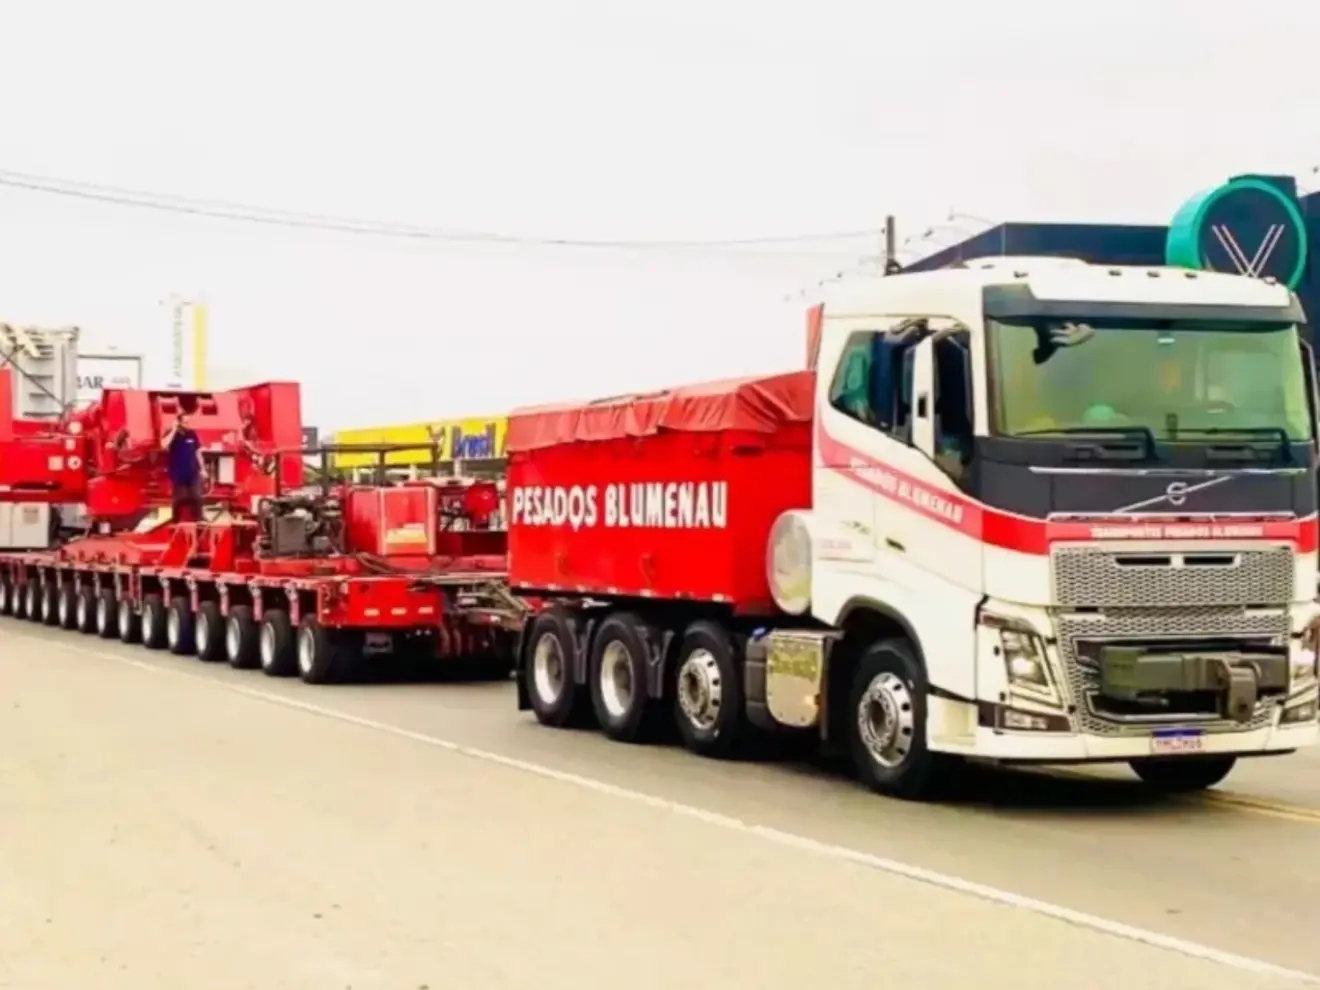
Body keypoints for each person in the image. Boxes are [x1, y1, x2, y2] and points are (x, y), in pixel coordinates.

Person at [162, 412, 206, 523]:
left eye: (188, 422)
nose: (188, 424)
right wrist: (173, 429)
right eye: (185, 422)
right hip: (178, 472)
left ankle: (198, 519)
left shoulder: (192, 434)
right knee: (179, 498)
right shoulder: (172, 434)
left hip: (193, 471)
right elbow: (164, 445)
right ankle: (175, 520)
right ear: (179, 422)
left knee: (197, 496)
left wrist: (203, 469)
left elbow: (198, 452)